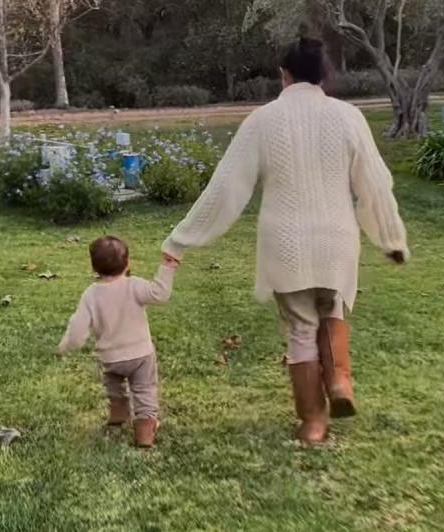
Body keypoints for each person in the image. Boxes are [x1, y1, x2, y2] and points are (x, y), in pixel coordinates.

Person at [161, 37, 409, 445]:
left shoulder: (263, 120)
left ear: (284, 74)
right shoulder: (349, 117)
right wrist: (391, 238)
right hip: (336, 238)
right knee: (331, 308)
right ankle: (341, 381)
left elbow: (225, 188)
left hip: (285, 241)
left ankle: (313, 423)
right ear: (323, 74)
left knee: (300, 328)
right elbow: (375, 184)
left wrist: (181, 238)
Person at [57, 236, 180, 448]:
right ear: (127, 263)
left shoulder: (91, 294)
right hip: (141, 355)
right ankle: (144, 436)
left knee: (114, 387)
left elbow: (78, 328)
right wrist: (167, 267)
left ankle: (117, 415)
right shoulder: (135, 285)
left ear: (94, 267)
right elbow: (160, 294)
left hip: (111, 358)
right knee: (144, 392)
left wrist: (66, 345)